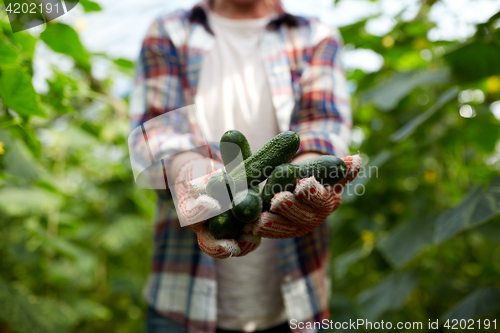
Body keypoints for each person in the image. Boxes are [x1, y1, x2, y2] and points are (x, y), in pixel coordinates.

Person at [129, 0, 361, 332]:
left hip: (299, 300)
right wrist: (187, 171)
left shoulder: (315, 35)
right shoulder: (169, 32)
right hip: (179, 301)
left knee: (278, 179)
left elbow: (321, 128)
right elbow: (154, 134)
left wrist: (305, 177)